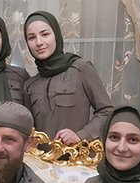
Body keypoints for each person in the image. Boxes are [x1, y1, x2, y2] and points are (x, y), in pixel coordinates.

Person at [22, 11, 113, 144]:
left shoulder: (80, 68)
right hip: (41, 157)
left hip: (77, 155)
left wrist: (81, 135)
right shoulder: (30, 85)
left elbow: (107, 111)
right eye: (31, 38)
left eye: (45, 34)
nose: (39, 42)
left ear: (56, 35)